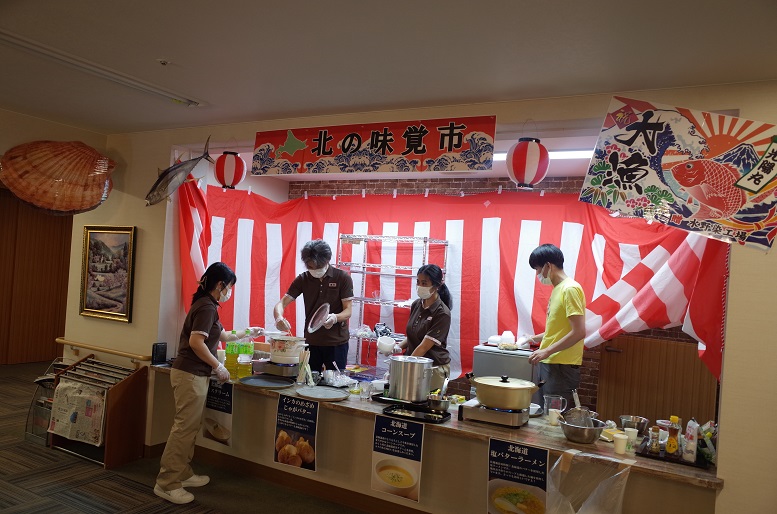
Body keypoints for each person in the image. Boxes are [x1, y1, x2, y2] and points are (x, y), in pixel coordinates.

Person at [155, 262, 263, 505]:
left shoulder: (208, 305)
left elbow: (224, 336)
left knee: (190, 427)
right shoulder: (206, 307)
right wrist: (218, 366)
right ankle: (167, 483)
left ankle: (183, 473)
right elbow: (196, 342)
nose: (229, 292)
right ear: (220, 285)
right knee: (184, 429)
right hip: (190, 374)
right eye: (229, 287)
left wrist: (249, 332)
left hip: (194, 374)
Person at [274, 239, 353, 373]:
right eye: (310, 267)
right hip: (311, 341)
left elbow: (348, 310)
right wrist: (278, 318)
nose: (314, 270)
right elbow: (281, 303)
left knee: (335, 382)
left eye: (318, 267)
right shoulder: (303, 279)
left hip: (336, 342)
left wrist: (335, 318)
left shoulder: (342, 278)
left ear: (327, 260)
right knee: (308, 380)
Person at [526, 244, 586, 411]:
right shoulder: (557, 289)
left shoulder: (570, 289)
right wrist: (532, 338)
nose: (538, 274)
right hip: (552, 362)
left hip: (561, 365)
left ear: (548, 265)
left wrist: (546, 351)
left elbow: (579, 332)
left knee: (555, 416)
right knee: (547, 414)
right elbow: (559, 329)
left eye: (538, 269)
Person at [391, 264, 452, 392]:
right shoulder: (416, 304)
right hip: (414, 363)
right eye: (418, 282)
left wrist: (405, 366)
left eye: (424, 283)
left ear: (436, 286)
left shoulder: (442, 313)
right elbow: (414, 334)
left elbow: (424, 346)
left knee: (426, 402)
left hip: (433, 368)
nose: (419, 286)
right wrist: (397, 347)